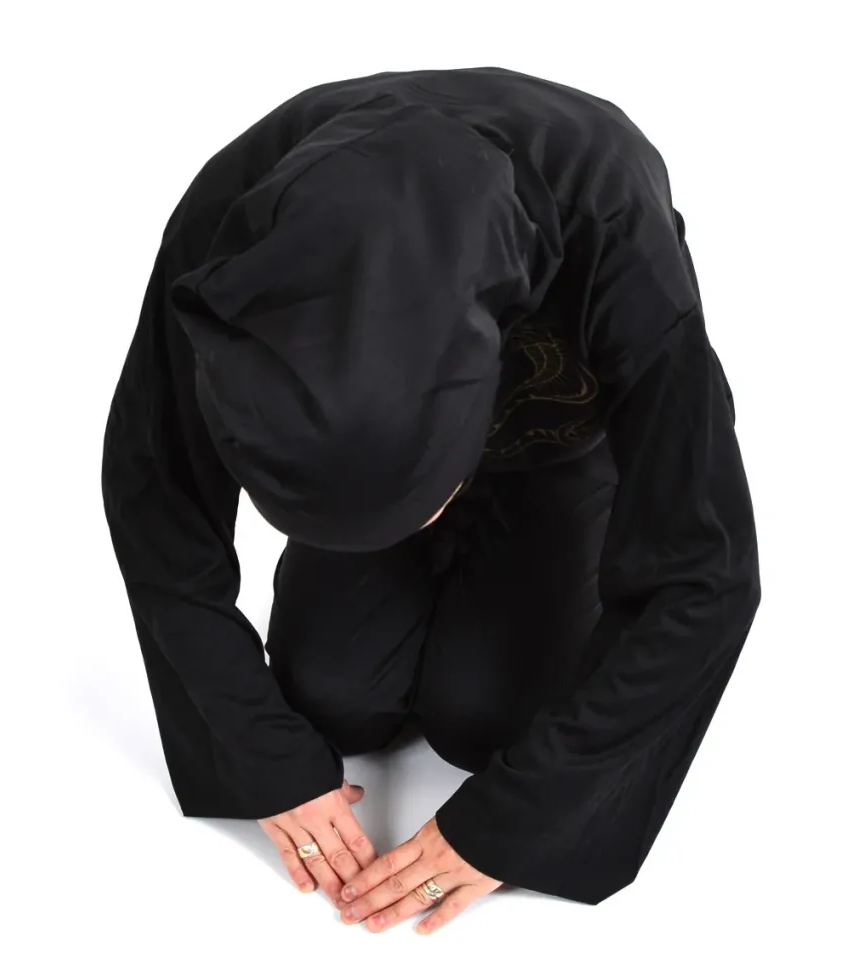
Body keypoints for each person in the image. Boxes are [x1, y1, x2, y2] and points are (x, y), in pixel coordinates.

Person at [101, 66, 761, 934]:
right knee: (330, 699)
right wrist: (261, 757)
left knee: (489, 721)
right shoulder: (229, 234)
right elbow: (155, 490)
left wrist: (514, 823)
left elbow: (704, 571)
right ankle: (378, 522)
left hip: (558, 426)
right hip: (358, 440)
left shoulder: (613, 223)